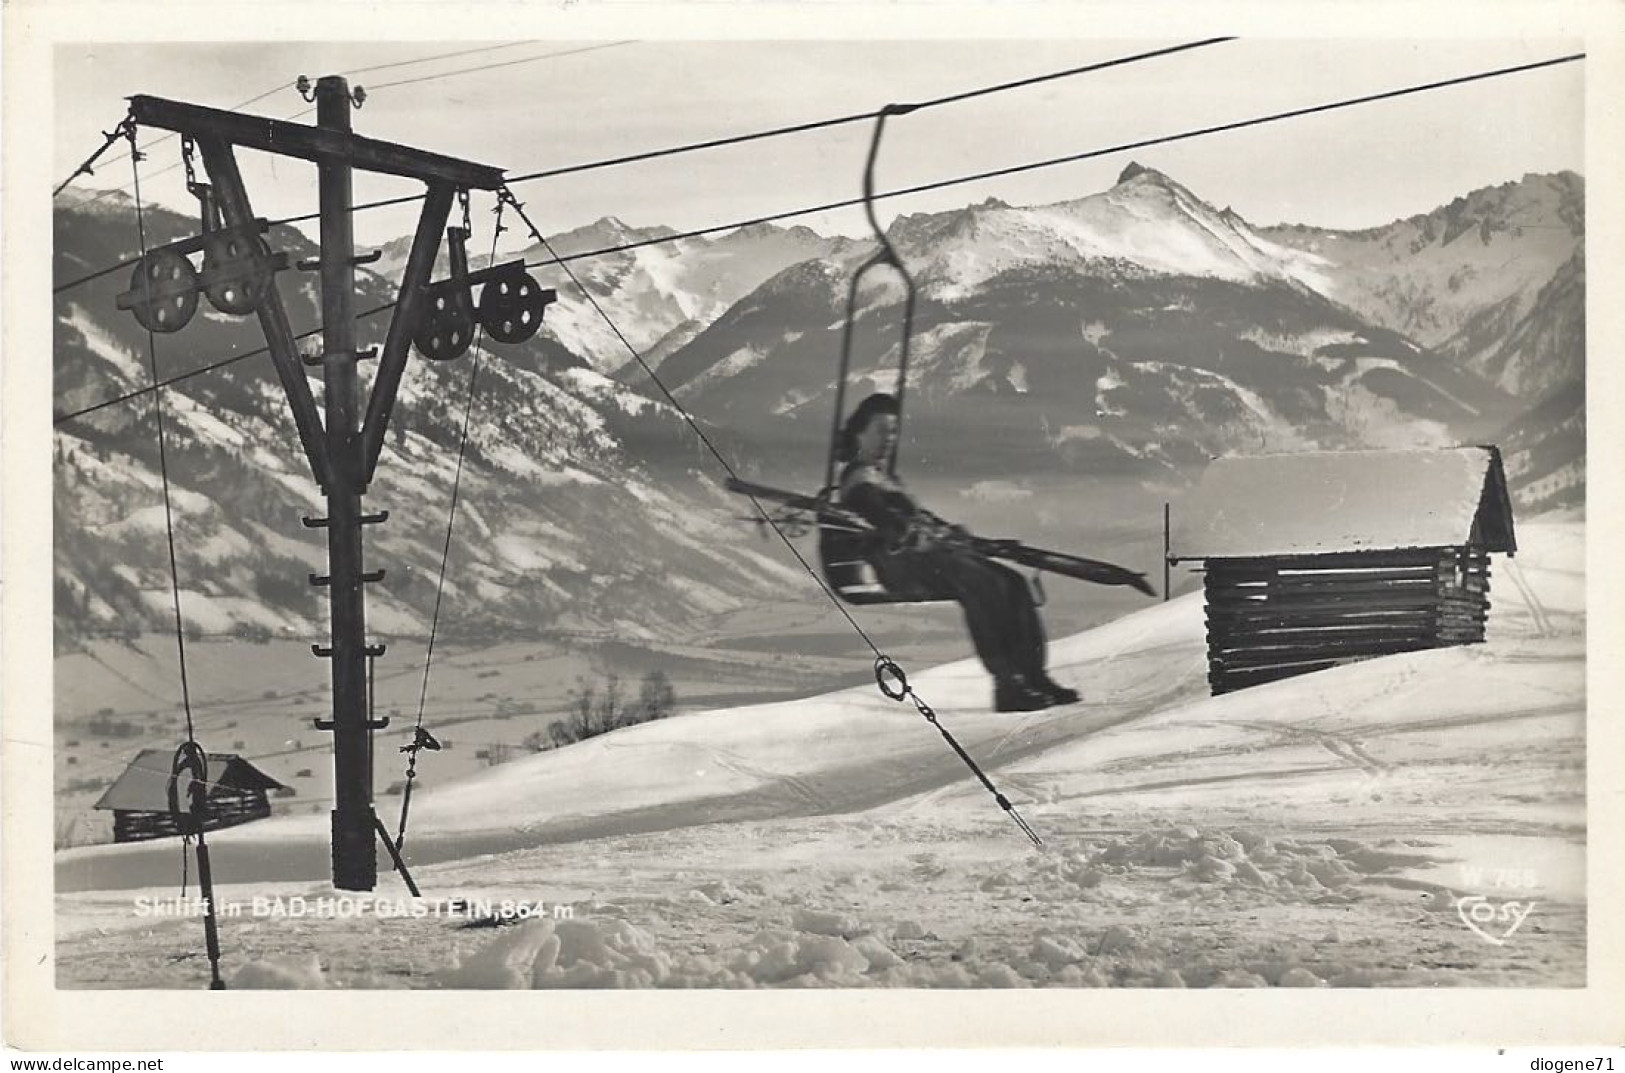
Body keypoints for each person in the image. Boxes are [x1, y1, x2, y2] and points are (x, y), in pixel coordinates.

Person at [833, 393, 1080, 713]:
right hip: (901, 564)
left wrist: (948, 531)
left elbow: (915, 517)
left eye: (893, 431)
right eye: (881, 430)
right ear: (859, 434)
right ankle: (1007, 684)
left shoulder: (883, 477)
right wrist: (911, 533)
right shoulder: (859, 480)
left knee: (1013, 582)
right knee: (982, 584)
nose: (889, 439)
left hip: (928, 557)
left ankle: (1034, 676)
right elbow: (881, 517)